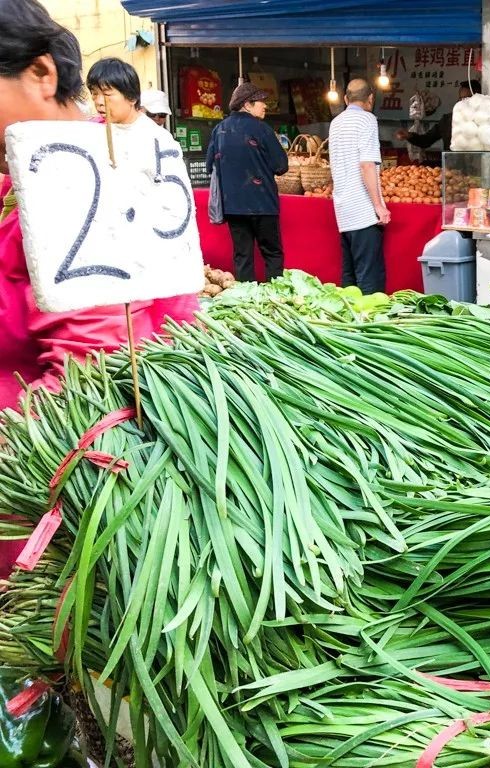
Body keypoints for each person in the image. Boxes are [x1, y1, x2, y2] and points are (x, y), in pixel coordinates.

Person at [0, 0, 198, 572]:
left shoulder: (76, 179)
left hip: (55, 511)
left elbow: (88, 374)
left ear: (41, 74)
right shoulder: (27, 173)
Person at [206, 82, 289, 283]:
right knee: (272, 254)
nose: (265, 106)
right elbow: (281, 166)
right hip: (263, 204)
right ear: (247, 104)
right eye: (261, 102)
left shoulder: (219, 130)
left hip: (233, 206)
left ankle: (246, 302)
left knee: (242, 257)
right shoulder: (262, 129)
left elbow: (210, 166)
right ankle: (274, 300)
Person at [329, 78, 390, 294]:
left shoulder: (336, 123)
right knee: (369, 280)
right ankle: (369, 324)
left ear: (346, 99)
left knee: (350, 276)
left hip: (343, 209)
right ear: (370, 99)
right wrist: (378, 205)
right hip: (363, 210)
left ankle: (350, 324)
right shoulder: (367, 120)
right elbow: (366, 165)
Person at [394, 80, 479, 152]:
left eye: (467, 98)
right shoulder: (447, 120)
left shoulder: (483, 122)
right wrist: (409, 135)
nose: (462, 102)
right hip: (452, 168)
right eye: (461, 98)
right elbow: (426, 140)